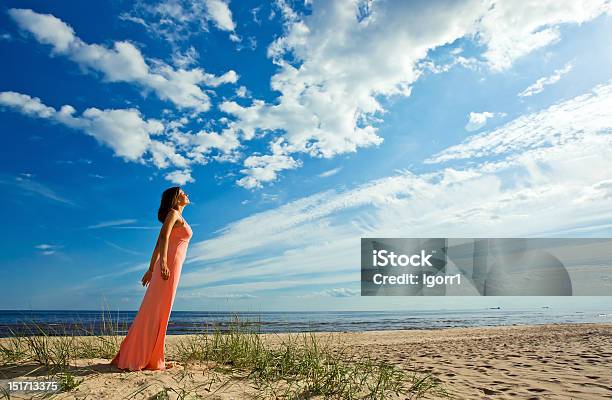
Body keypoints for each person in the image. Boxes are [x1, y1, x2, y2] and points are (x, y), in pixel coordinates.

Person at [110, 186, 193, 371]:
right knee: (156, 310)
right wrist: (161, 264)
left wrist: (151, 268)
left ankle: (154, 356)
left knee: (160, 309)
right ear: (175, 198)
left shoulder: (179, 216)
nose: (186, 194)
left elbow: (158, 243)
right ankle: (145, 356)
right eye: (182, 193)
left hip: (172, 266)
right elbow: (162, 238)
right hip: (169, 266)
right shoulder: (173, 214)